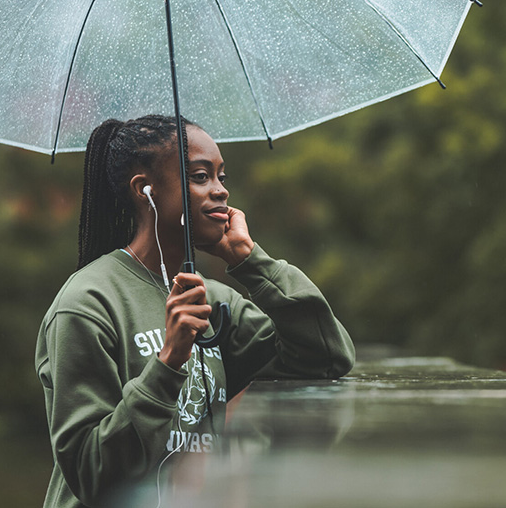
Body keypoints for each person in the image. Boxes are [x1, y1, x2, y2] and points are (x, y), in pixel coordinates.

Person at [36, 114, 355, 508]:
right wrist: (168, 362)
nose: (220, 191)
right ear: (145, 190)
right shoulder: (87, 305)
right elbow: (91, 474)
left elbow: (326, 356)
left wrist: (251, 262)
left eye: (222, 177)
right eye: (201, 176)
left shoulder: (215, 303)